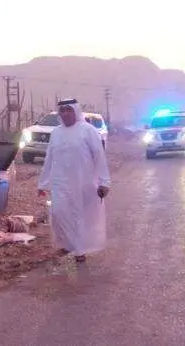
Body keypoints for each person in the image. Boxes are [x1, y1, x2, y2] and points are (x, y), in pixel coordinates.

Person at [37, 99, 111, 263]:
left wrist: (104, 182)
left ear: (76, 112)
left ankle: (79, 250)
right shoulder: (56, 132)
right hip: (59, 182)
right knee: (58, 213)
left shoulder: (88, 130)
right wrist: (42, 183)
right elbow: (49, 158)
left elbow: (99, 157)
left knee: (78, 215)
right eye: (62, 110)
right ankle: (69, 244)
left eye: (68, 110)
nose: (65, 114)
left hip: (82, 181)